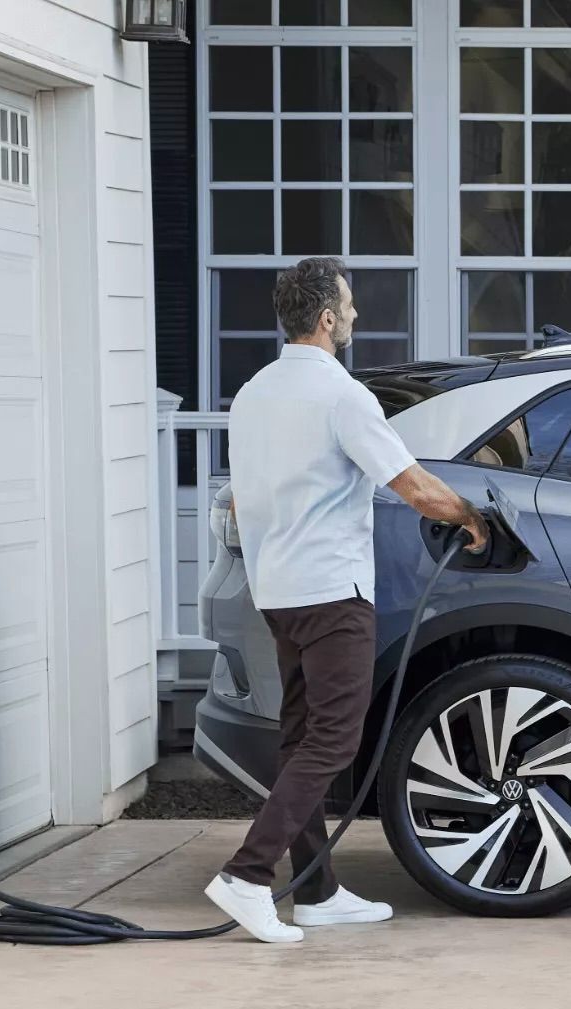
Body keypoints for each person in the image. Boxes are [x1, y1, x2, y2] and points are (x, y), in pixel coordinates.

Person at [205, 256, 489, 944]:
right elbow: (412, 485)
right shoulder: (342, 396)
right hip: (332, 593)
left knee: (302, 736)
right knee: (333, 738)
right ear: (327, 319)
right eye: (351, 308)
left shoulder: (253, 394)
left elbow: (242, 498)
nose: (357, 317)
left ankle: (318, 892)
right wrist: (472, 516)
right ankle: (247, 875)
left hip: (279, 592)